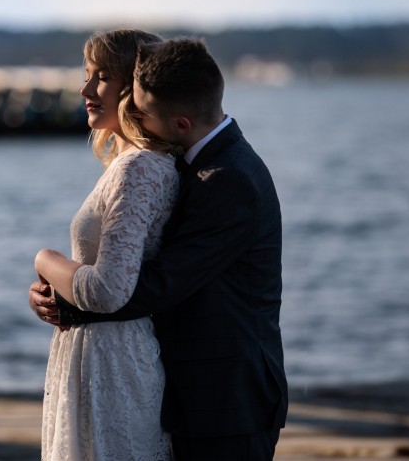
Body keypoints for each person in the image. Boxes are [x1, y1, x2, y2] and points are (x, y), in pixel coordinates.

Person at [30, 37, 288, 460]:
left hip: (227, 401)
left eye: (142, 109)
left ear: (180, 122)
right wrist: (60, 290)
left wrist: (59, 283)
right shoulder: (197, 163)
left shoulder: (228, 179)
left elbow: (158, 284)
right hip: (190, 390)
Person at [32, 29, 179, 461]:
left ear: (134, 87)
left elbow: (109, 290)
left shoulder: (139, 169)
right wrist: (52, 294)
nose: (85, 90)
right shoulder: (128, 164)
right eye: (87, 75)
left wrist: (45, 260)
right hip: (99, 353)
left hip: (113, 362)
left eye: (101, 77)